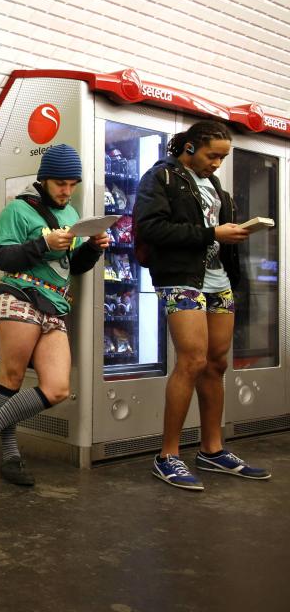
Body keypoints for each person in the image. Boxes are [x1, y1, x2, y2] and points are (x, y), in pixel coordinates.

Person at [134, 120, 270, 490]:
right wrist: (213, 233)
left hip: (218, 281)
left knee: (216, 364)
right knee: (191, 360)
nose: (217, 164)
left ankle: (212, 450)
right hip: (180, 279)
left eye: (222, 158)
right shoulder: (161, 177)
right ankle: (167, 455)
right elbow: (150, 228)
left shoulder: (215, 187)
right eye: (212, 155)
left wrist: (232, 235)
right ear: (190, 147)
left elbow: (216, 234)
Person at [0, 144, 109, 485]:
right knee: (12, 379)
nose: (66, 191)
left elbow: (72, 267)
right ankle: (12, 456)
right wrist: (44, 244)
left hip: (55, 306)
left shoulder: (73, 216)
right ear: (44, 180)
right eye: (60, 183)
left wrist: (91, 249)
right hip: (19, 297)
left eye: (72, 183)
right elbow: (4, 260)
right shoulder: (18, 210)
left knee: (58, 388)